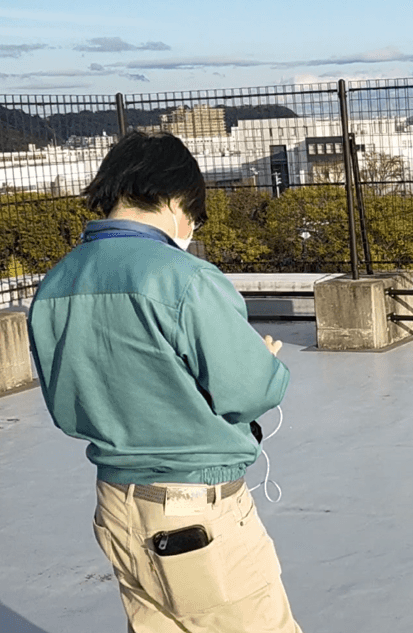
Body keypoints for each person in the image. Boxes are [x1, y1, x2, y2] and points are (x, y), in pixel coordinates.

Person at [27, 130, 304, 632]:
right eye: (193, 214)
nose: (191, 226)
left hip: (117, 506)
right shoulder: (185, 278)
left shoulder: (57, 282)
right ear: (177, 200)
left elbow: (67, 404)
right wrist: (261, 362)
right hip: (196, 511)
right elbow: (249, 392)